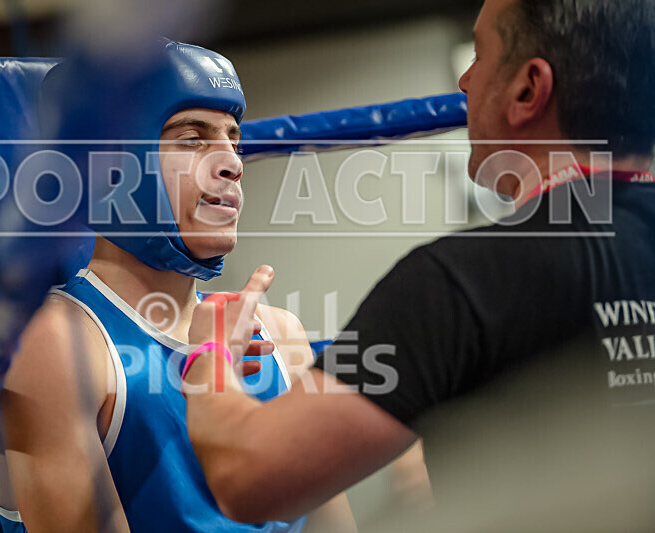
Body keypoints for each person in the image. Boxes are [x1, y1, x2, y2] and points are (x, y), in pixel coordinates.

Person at [182, 0, 655, 527]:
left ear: (528, 90)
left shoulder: (466, 281)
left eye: (480, 55)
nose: (465, 82)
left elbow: (247, 479)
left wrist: (209, 349)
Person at [0, 40, 355, 532]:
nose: (232, 163)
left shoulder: (281, 337)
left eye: (233, 140)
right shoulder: (53, 346)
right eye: (192, 139)